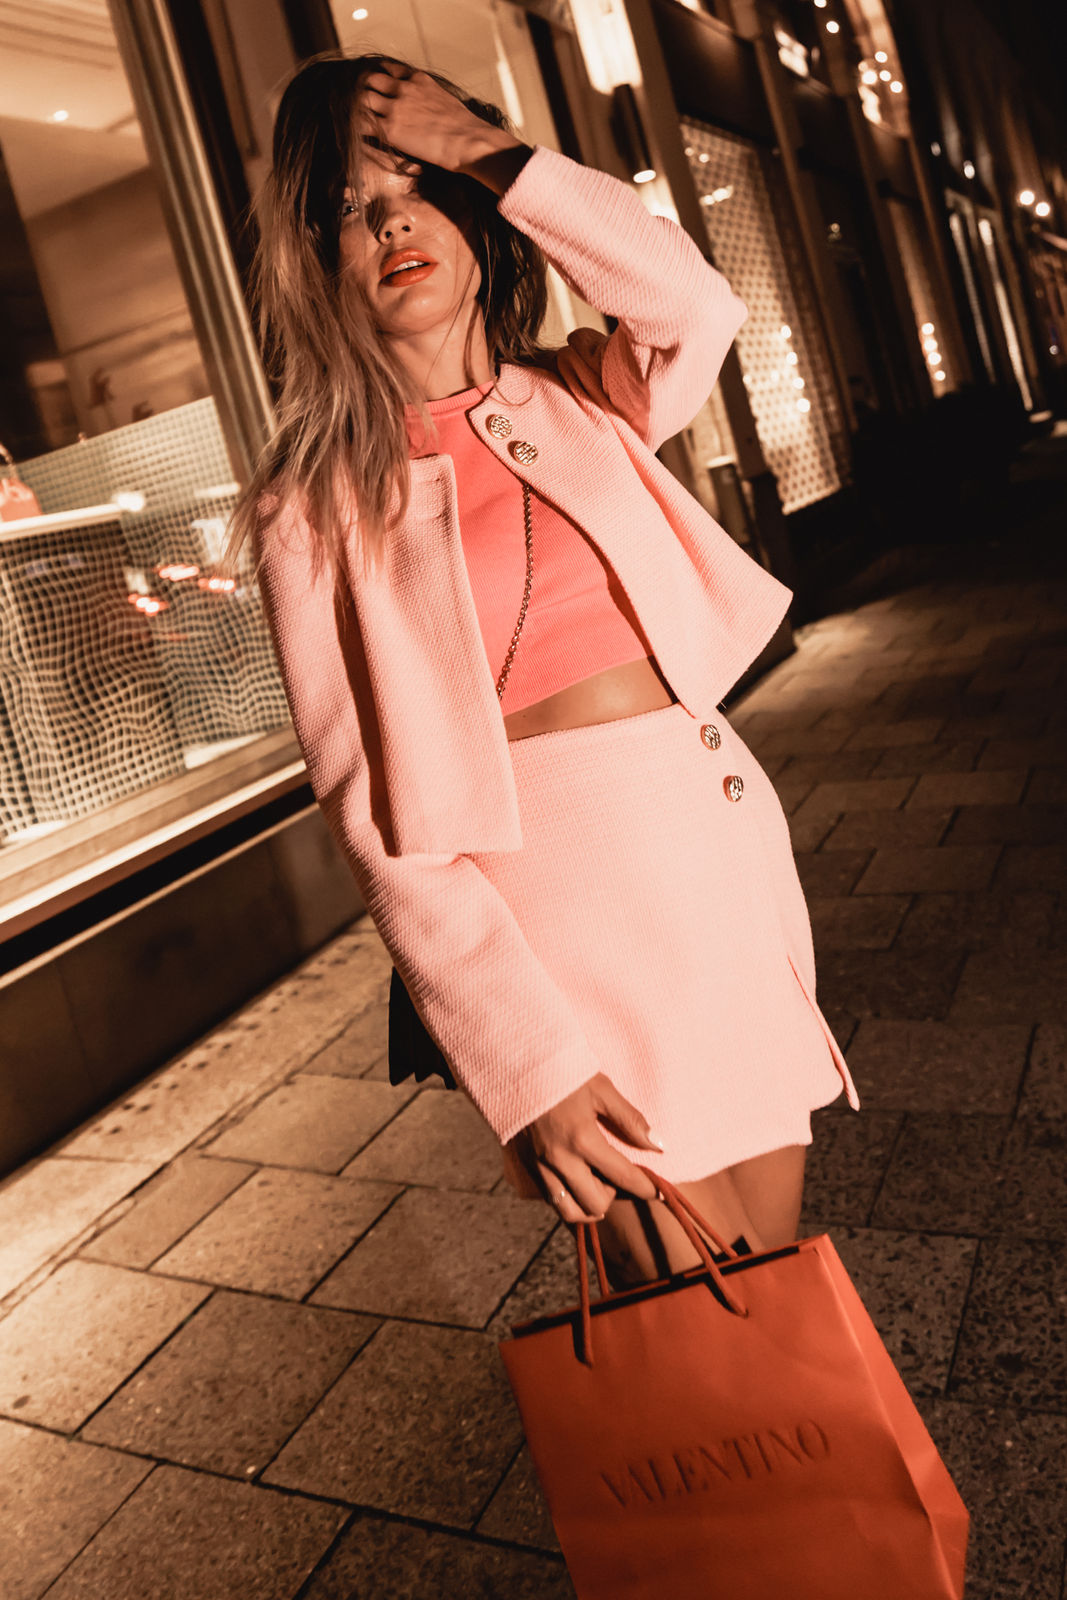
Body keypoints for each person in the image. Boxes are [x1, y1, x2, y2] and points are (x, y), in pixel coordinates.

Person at [227, 51, 859, 1291]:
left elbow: (692, 305)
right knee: (692, 1323)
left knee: (767, 1300)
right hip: (564, 935)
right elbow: (377, 820)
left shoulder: (579, 392)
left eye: (413, 184)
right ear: (318, 262)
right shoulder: (310, 505)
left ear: (472, 210)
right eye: (347, 210)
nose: (392, 220)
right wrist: (526, 1064)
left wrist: (493, 149)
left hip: (714, 880)